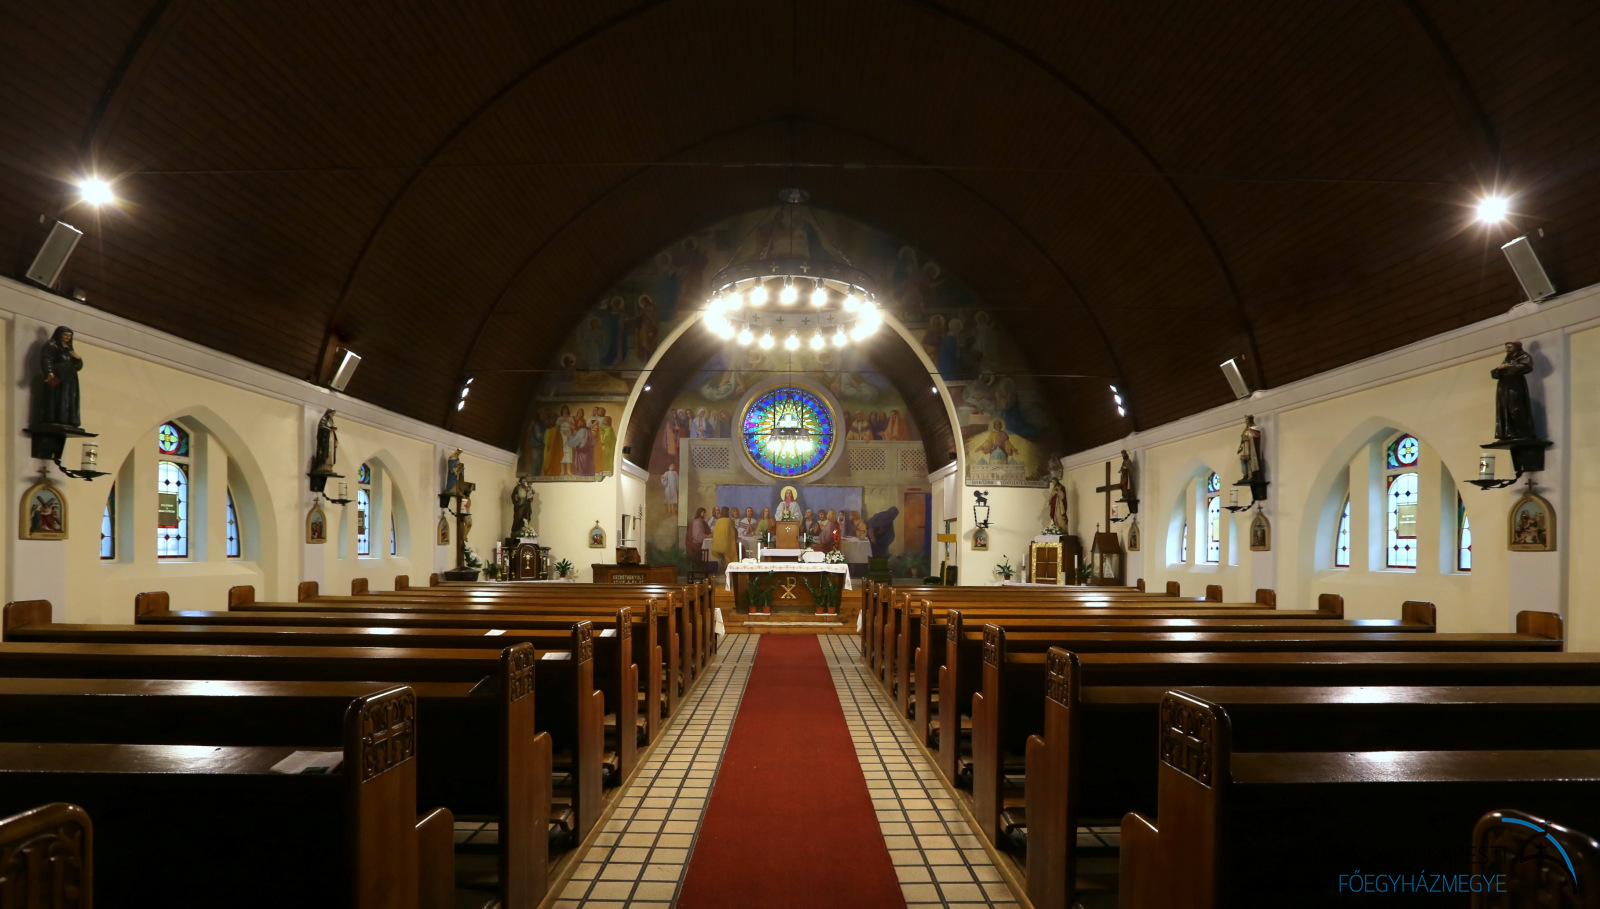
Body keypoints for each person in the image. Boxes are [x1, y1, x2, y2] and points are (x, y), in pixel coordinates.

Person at [36, 326, 84, 428]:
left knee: (69, 396)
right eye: (65, 335)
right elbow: (47, 358)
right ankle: (55, 418)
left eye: (69, 336)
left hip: (70, 377)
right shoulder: (52, 345)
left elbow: (78, 366)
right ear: (59, 334)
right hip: (58, 373)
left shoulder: (69, 348)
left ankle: (68, 419)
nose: (67, 338)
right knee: (55, 395)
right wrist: (49, 371)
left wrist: (79, 359)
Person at [1492, 341, 1536, 441]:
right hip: (1504, 386)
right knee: (1504, 408)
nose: (1507, 349)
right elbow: (1498, 372)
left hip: (1515, 385)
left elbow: (1526, 366)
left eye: (1509, 347)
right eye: (1506, 347)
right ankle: (1508, 433)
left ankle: (1521, 433)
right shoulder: (1507, 359)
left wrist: (1508, 367)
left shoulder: (1524, 356)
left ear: (1516, 347)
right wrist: (1497, 370)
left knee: (1516, 408)